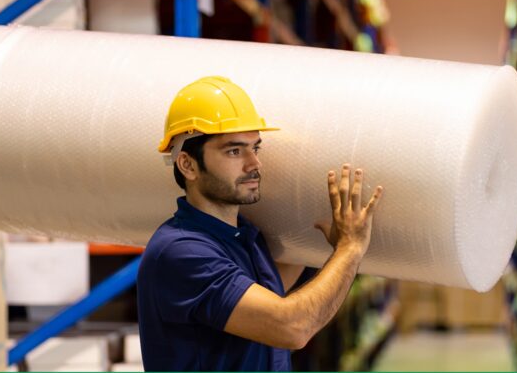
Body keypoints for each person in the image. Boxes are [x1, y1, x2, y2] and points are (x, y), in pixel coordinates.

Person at [137, 76, 383, 371]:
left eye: (256, 148)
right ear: (188, 165)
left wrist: (325, 243)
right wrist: (350, 249)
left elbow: (271, 295)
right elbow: (292, 326)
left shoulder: (242, 236)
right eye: (234, 151)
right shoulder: (181, 252)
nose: (254, 163)